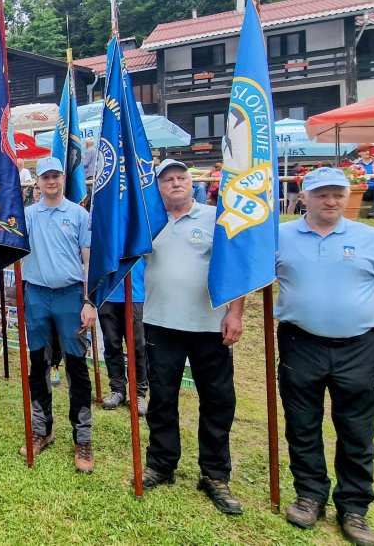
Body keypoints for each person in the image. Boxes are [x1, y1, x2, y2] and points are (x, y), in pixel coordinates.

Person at [274, 165, 374, 546]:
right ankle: (310, 494)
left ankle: (354, 506)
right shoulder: (280, 236)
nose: (330, 201)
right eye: (321, 194)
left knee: (356, 429)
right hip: (301, 343)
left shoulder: (369, 238)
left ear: (348, 196)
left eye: (338, 193)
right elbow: (253, 277)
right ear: (304, 197)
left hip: (358, 346)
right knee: (302, 424)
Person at [142, 159, 245, 516]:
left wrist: (235, 312)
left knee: (217, 401)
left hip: (209, 326)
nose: (175, 183)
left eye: (181, 177)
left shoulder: (216, 218)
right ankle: (161, 463)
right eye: (167, 179)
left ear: (192, 182)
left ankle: (215, 474)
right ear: (158, 187)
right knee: (162, 398)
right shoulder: (148, 222)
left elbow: (236, 269)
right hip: (161, 323)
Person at [20, 156, 97, 474]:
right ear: (37, 182)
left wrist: (90, 301)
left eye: (55, 176)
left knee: (77, 368)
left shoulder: (79, 214)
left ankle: (83, 438)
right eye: (45, 177)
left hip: (70, 298)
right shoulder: (26, 217)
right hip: (36, 296)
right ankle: (42, 430)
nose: (50, 181)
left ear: (63, 179)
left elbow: (89, 260)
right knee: (37, 365)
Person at [98, 259, 148, 415]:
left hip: (136, 293)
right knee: (111, 344)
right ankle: (118, 390)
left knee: (138, 346)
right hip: (108, 293)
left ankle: (138, 393)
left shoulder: (140, 233)